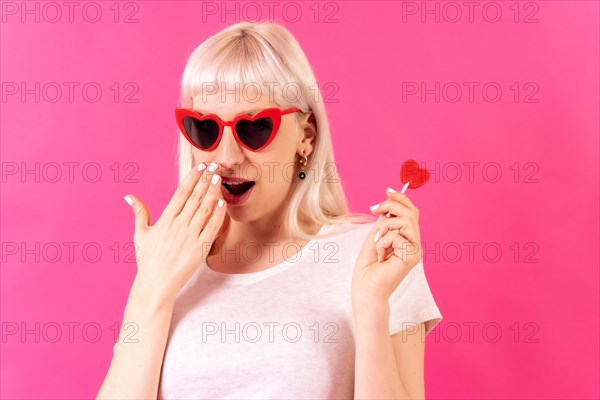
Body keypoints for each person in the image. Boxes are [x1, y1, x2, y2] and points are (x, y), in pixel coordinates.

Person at [97, 21, 442, 400]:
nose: (227, 157)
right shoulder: (170, 262)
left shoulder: (376, 258)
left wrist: (372, 305)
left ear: (306, 136)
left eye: (255, 128)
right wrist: (150, 285)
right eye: (205, 129)